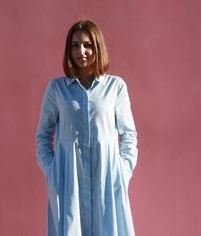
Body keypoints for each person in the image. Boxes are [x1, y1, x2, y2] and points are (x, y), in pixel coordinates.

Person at [35, 18, 138, 236]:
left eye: (87, 45)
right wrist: (52, 171)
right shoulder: (57, 89)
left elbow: (128, 134)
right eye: (75, 45)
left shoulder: (115, 87)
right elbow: (43, 135)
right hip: (68, 179)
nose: (81, 51)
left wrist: (123, 170)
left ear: (97, 47)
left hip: (107, 179)